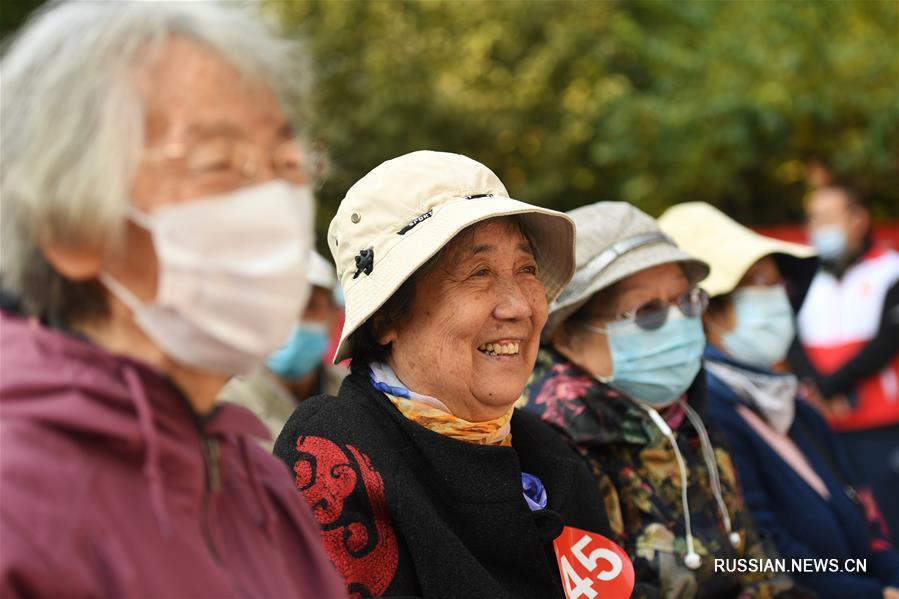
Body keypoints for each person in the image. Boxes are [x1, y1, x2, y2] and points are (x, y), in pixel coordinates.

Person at [0, 3, 345, 597]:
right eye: (219, 163)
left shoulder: (260, 482)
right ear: (71, 229)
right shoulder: (18, 509)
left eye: (287, 163)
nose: (274, 201)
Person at [274, 151, 615, 598]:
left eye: (526, 269)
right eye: (478, 273)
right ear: (386, 316)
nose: (518, 307)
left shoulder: (549, 455)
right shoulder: (334, 458)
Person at [520, 202, 805, 598]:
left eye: (687, 301)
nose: (679, 322)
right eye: (647, 311)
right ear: (570, 336)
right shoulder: (552, 452)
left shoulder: (689, 419)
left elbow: (752, 563)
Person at [660, 201, 899, 599]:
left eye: (775, 283)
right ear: (708, 310)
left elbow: (866, 518)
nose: (774, 297)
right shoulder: (706, 414)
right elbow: (762, 554)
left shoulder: (789, 402)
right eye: (756, 282)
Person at [788, 186, 899, 545]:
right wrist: (817, 387)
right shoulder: (807, 278)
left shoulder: (891, 270)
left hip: (882, 426)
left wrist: (832, 386)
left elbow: (887, 342)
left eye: (828, 217)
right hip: (825, 424)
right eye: (813, 218)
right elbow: (792, 338)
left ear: (858, 218)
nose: (819, 227)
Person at [220, 250, 347, 446]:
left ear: (333, 318)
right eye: (284, 305)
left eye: (310, 306)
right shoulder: (228, 405)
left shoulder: (353, 394)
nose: (295, 321)